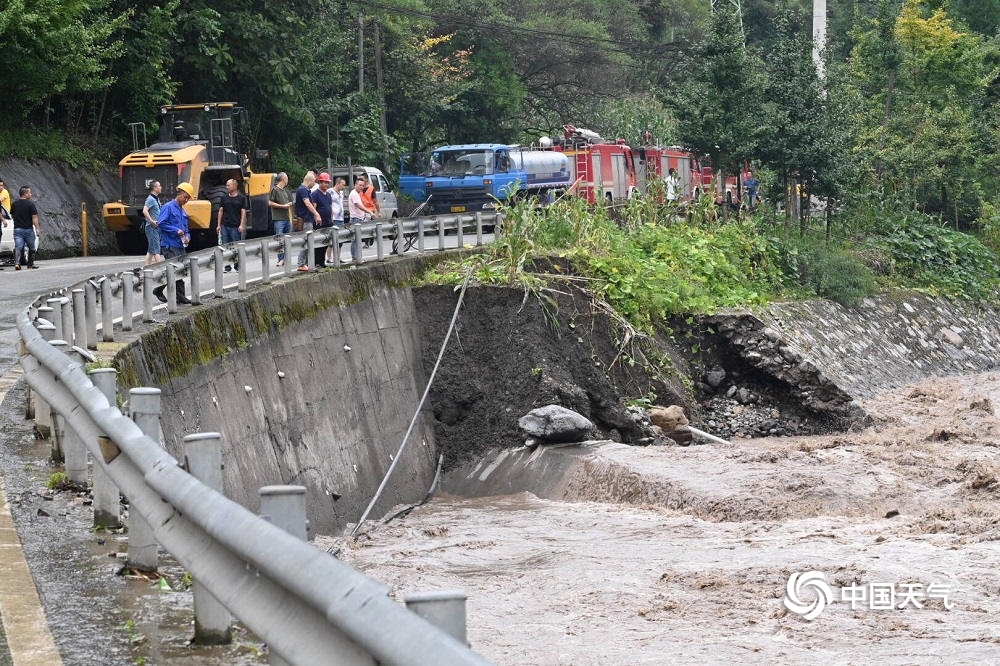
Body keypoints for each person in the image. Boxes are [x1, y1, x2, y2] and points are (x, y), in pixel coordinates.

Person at [153, 183, 194, 304]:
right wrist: (176, 231)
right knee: (176, 270)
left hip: (180, 245)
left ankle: (160, 290)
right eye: (185, 197)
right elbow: (161, 223)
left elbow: (186, 229)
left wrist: (188, 237)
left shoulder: (183, 211)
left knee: (180, 270)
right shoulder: (168, 207)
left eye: (187, 198)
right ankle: (179, 296)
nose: (186, 200)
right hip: (169, 245)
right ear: (180, 193)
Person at [305, 172, 334, 270]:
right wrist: (316, 217)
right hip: (319, 223)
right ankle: (316, 262)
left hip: (328, 222)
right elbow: (313, 208)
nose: (326, 184)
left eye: (327, 183)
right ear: (320, 182)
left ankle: (322, 262)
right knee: (318, 244)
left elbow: (330, 207)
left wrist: (331, 219)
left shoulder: (328, 195)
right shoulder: (315, 194)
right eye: (324, 182)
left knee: (325, 243)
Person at [218, 178, 247, 271]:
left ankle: (237, 265)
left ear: (234, 186)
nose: (227, 187)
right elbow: (220, 211)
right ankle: (227, 266)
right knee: (225, 246)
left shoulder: (241, 198)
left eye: (228, 185)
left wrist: (242, 225)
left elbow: (243, 212)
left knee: (235, 246)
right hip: (225, 226)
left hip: (235, 226)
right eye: (226, 185)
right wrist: (219, 225)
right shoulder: (224, 198)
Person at [295, 171, 320, 270]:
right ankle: (301, 263)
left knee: (309, 241)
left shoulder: (306, 190)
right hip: (305, 220)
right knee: (307, 241)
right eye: (313, 182)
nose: (314, 184)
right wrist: (316, 214)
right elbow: (307, 203)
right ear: (309, 181)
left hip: (308, 219)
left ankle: (305, 263)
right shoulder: (303, 190)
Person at [11, 186, 40, 270]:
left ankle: (17, 263)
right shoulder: (30, 204)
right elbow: (34, 217)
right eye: (30, 192)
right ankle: (30, 265)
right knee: (32, 247)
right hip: (28, 230)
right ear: (26, 194)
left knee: (18, 247)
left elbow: (13, 215)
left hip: (17, 229)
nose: (31, 194)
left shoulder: (14, 204)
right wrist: (37, 228)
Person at [348, 176, 375, 263]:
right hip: (355, 219)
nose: (361, 187)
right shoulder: (354, 194)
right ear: (355, 185)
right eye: (360, 185)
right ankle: (355, 258)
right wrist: (369, 212)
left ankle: (358, 257)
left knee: (358, 240)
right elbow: (358, 206)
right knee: (355, 240)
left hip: (359, 219)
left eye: (363, 185)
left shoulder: (357, 194)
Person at [269, 172, 293, 266]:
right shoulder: (275, 190)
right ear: (283, 179)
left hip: (287, 218)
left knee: (287, 239)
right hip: (279, 219)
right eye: (286, 178)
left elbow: (290, 202)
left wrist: (289, 205)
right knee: (279, 239)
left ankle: (286, 258)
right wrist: (282, 206)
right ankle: (280, 259)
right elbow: (270, 203)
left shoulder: (285, 190)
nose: (287, 180)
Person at [142, 181, 164, 266]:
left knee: (151, 250)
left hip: (155, 227)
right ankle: (161, 269)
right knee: (156, 249)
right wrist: (151, 221)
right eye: (159, 186)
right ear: (155, 188)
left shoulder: (156, 198)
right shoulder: (150, 199)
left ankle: (146, 268)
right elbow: (144, 210)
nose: (161, 187)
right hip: (151, 227)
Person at [326, 177, 346, 265]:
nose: (344, 187)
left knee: (340, 239)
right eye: (343, 184)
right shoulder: (330, 191)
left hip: (341, 217)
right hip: (334, 218)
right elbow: (328, 204)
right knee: (332, 239)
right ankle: (329, 257)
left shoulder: (341, 193)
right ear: (338, 183)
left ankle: (337, 256)